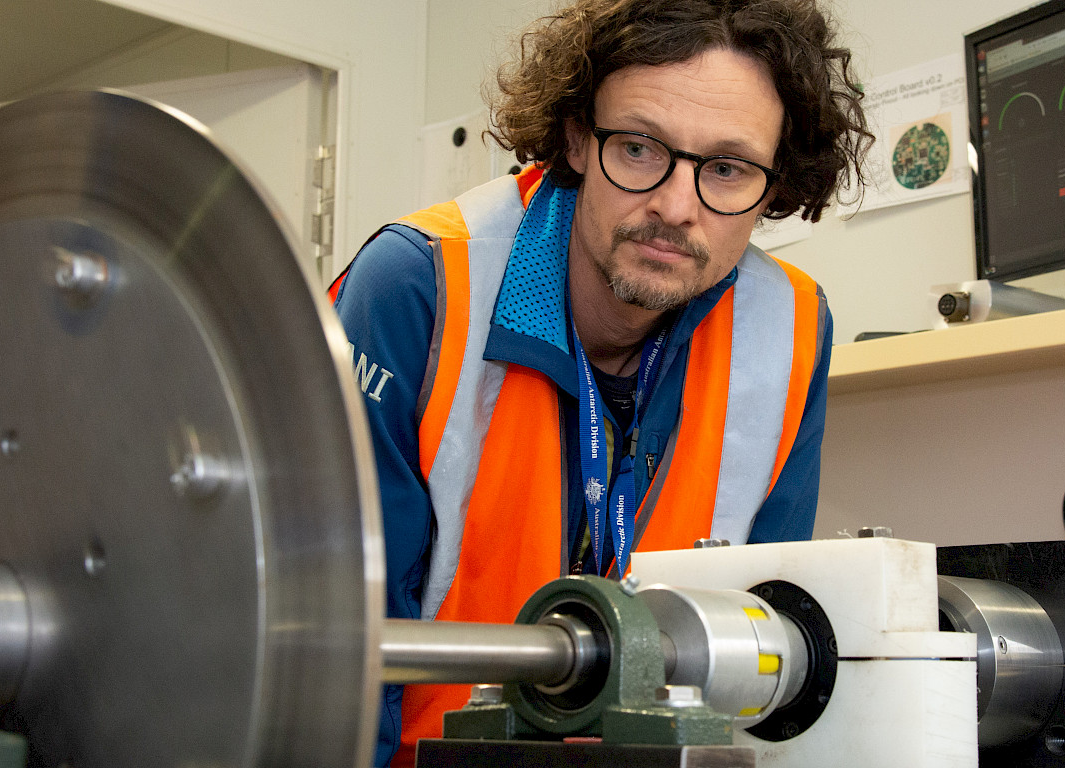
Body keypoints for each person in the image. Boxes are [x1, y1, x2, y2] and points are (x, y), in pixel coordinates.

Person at [327, 0, 868, 763]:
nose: (676, 208)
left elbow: (767, 653)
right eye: (642, 149)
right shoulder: (418, 287)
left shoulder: (791, 329)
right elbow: (336, 649)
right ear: (577, 137)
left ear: (775, 187)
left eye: (727, 168)